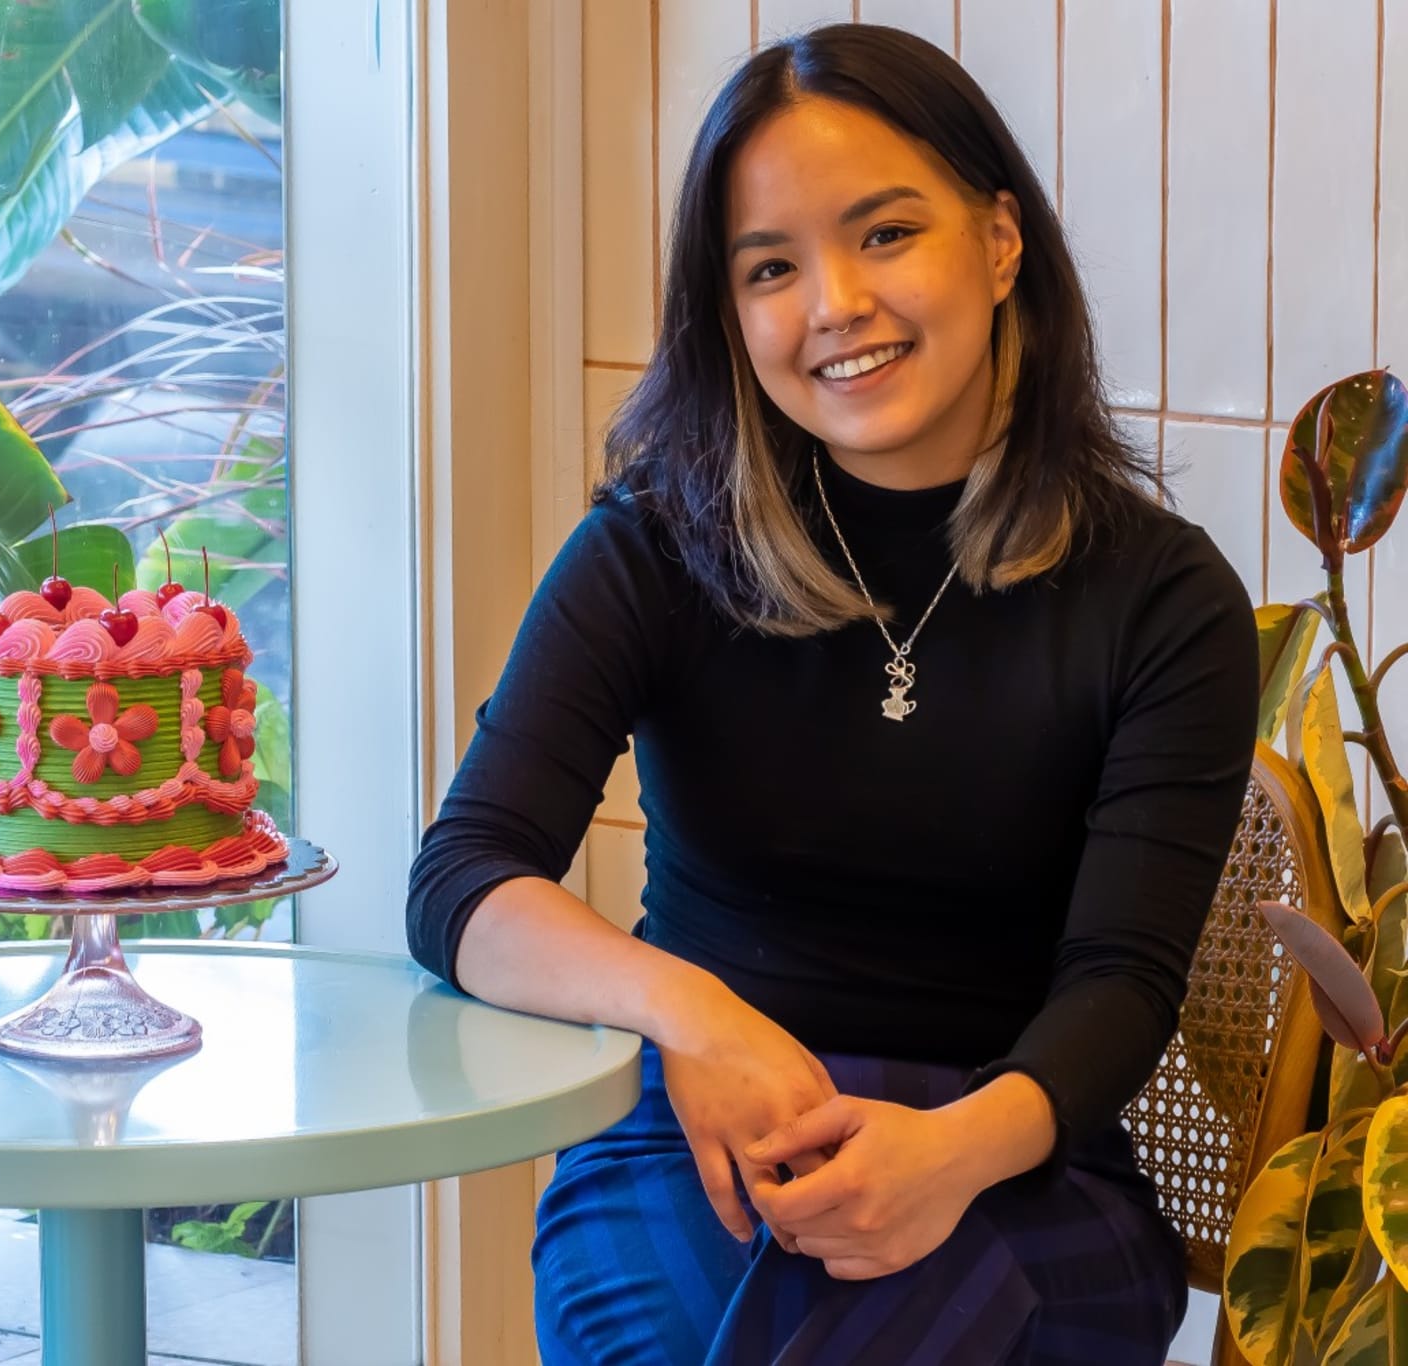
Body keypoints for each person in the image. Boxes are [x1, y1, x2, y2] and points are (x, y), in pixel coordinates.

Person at [403, 22, 1258, 1366]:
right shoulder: (653, 547)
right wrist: (699, 1016)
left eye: (883, 234)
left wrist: (948, 1156)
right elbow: (463, 881)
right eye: (769, 266)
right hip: (699, 1136)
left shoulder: (1163, 598)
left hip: (1018, 1160)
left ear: (998, 238)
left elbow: (1120, 985)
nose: (832, 305)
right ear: (728, 312)